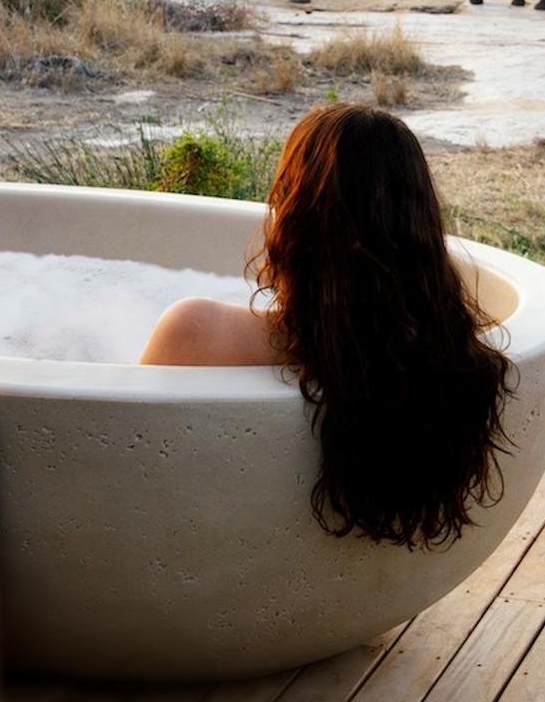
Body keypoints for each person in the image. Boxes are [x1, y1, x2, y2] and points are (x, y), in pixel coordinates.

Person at [141, 103, 513, 548]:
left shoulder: (197, 331)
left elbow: (120, 461)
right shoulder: (449, 364)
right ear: (419, 224)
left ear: (297, 210)